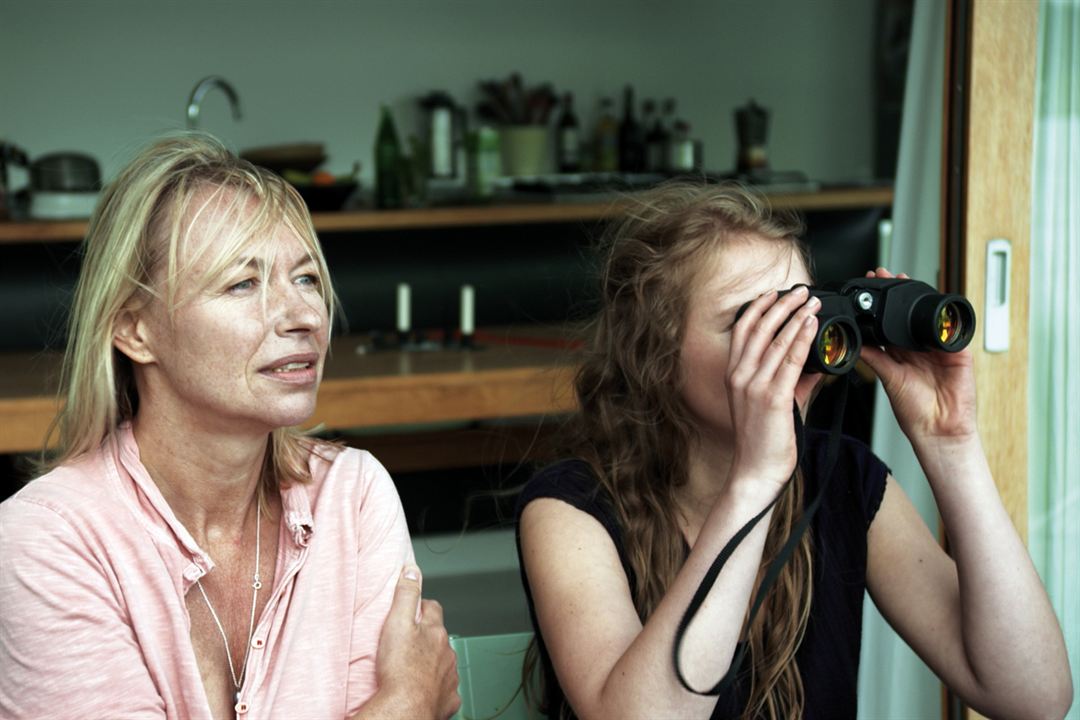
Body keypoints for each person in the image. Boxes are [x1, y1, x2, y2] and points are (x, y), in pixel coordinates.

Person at [515, 182, 1073, 719]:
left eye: (799, 312)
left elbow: (1033, 697)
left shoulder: (843, 479)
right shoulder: (570, 510)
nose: (793, 341)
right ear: (655, 356)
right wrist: (755, 479)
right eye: (751, 320)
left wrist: (950, 441)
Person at [0, 134, 460, 720]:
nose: (303, 317)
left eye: (306, 278)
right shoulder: (47, 541)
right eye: (243, 283)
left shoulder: (353, 495)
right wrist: (407, 704)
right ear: (134, 330)